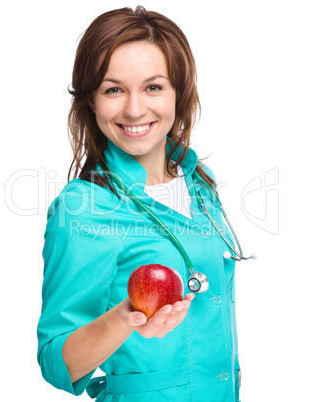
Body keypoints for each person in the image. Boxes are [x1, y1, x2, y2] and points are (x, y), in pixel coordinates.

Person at [37, 6, 241, 402]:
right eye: (114, 89)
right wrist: (124, 318)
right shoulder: (83, 208)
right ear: (92, 100)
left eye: (153, 87)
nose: (134, 109)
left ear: (179, 92)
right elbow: (55, 361)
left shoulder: (200, 181)